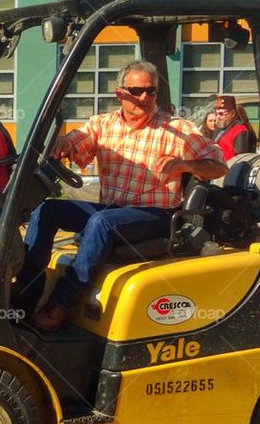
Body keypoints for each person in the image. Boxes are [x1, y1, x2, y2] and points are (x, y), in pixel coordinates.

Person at [19, 60, 228, 331]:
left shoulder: (177, 129)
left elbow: (218, 165)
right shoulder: (103, 124)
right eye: (136, 90)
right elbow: (78, 139)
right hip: (114, 210)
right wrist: (66, 144)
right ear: (120, 93)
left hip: (157, 215)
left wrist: (185, 165)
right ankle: (25, 292)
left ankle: (59, 304)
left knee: (101, 223)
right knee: (47, 210)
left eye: (150, 92)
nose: (145, 98)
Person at [212, 95, 257, 160]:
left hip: (230, 168)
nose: (218, 117)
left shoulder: (240, 130)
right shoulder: (219, 129)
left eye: (221, 114)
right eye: (216, 114)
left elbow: (241, 158)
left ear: (232, 113)